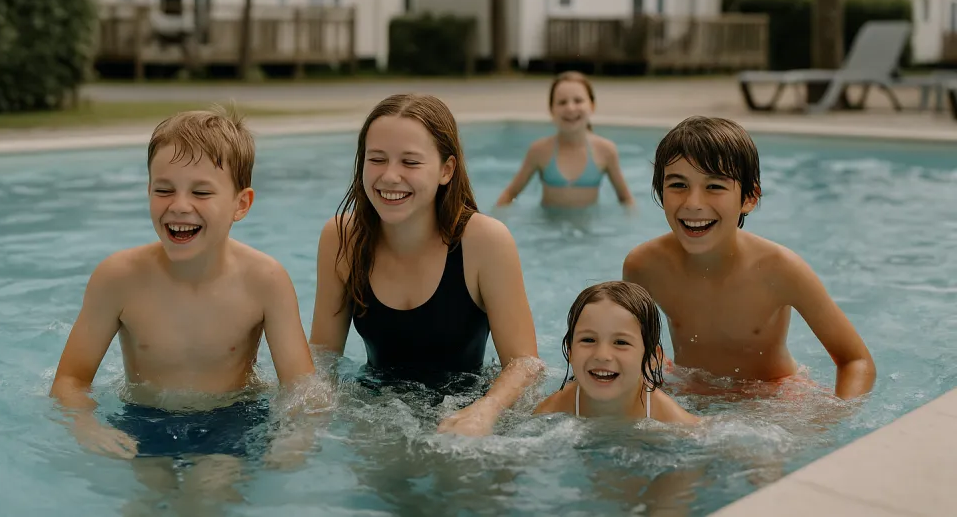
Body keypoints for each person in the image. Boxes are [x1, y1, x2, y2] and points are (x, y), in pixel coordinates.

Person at [49, 107, 317, 462]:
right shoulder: (118, 278)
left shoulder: (265, 281)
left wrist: (295, 436)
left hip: (232, 418)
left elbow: (301, 386)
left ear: (241, 204)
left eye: (202, 193)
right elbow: (70, 380)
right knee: (147, 497)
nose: (179, 206)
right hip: (144, 418)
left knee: (211, 486)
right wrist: (86, 426)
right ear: (148, 190)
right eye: (164, 189)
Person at [309, 93, 543, 436]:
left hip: (467, 409)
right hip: (377, 411)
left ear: (446, 170)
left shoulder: (485, 241)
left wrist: (486, 411)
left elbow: (526, 364)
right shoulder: (342, 237)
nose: (389, 176)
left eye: (410, 162)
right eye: (376, 159)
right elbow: (323, 359)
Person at [622, 116, 876, 400]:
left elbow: (856, 361)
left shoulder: (780, 269)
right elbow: (636, 349)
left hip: (770, 397)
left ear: (749, 198)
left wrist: (835, 421)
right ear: (660, 191)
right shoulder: (644, 266)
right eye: (678, 185)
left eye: (715, 186)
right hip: (690, 391)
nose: (693, 204)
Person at [535, 281, 696, 424]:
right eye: (588, 340)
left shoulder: (669, 419)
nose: (602, 355)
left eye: (620, 342)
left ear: (652, 359)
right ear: (570, 351)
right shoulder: (552, 411)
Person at [496, 71, 635, 209]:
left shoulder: (606, 150)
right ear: (551, 110)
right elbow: (510, 194)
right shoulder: (539, 151)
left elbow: (626, 199)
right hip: (548, 227)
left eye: (578, 101)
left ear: (592, 106)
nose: (570, 108)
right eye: (562, 102)